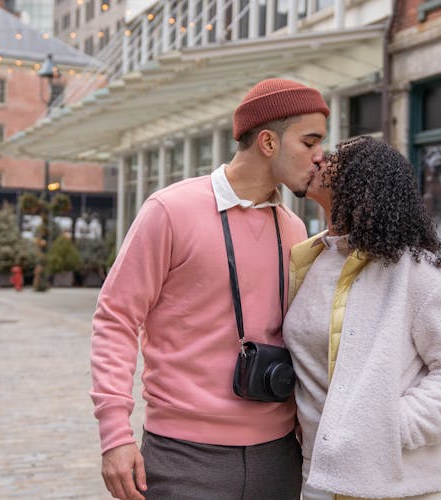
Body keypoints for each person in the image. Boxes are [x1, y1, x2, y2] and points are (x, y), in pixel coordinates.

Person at [90, 78, 330, 500]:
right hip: (182, 457)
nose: (319, 156)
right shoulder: (169, 210)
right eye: (309, 142)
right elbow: (116, 319)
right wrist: (115, 434)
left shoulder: (293, 227)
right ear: (269, 142)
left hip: (278, 456)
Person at [283, 136, 441, 500]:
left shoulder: (413, 268)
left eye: (331, 158)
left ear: (360, 180)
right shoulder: (308, 260)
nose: (318, 160)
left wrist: (391, 427)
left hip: (401, 483)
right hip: (319, 476)